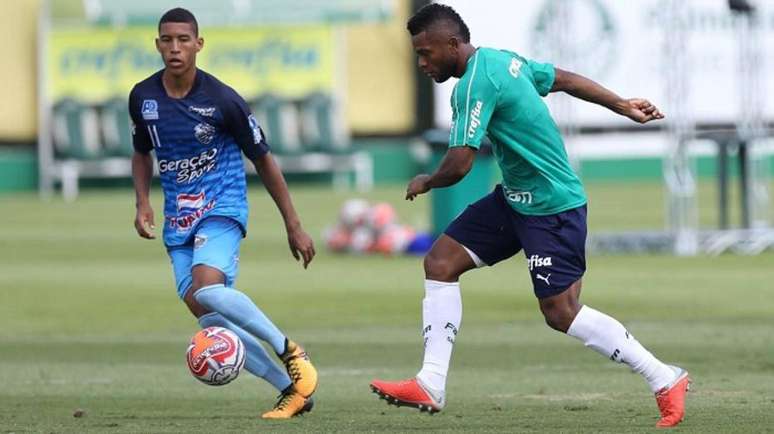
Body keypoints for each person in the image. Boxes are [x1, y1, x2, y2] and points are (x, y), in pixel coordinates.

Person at [370, 3, 689, 428]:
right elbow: (563, 79)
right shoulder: (504, 60)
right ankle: (431, 382)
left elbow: (461, 163)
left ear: (452, 44)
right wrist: (620, 104)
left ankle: (664, 377)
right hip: (516, 199)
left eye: (426, 53)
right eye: (418, 54)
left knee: (561, 312)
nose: (422, 63)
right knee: (440, 262)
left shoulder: (471, 86)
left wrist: (427, 180)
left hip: (553, 205)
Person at [129, 8, 318, 419]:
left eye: (183, 39)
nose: (175, 47)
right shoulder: (143, 98)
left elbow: (265, 160)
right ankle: (292, 391)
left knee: (209, 290)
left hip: (223, 207)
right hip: (178, 220)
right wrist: (143, 201)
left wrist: (294, 225)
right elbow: (142, 152)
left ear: (199, 44)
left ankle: (290, 350)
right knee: (210, 323)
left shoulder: (223, 100)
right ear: (158, 45)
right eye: (167, 40)